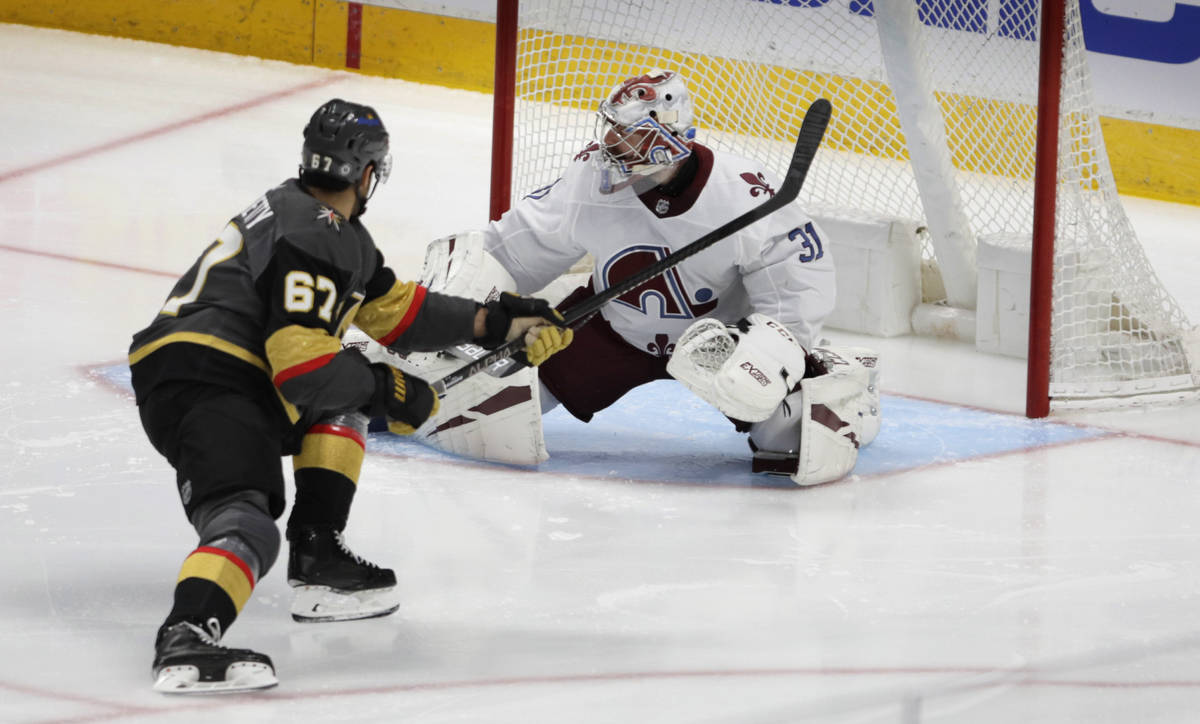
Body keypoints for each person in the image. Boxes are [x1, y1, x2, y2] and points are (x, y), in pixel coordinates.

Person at [128, 98, 571, 693]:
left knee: (345, 396)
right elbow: (302, 366)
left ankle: (318, 554)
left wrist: (497, 322)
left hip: (203, 366)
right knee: (245, 521)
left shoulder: (317, 222)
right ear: (367, 173)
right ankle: (185, 637)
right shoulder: (315, 233)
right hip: (211, 375)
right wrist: (390, 388)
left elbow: (399, 312)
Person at [380, 70, 879, 485]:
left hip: (720, 344)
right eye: (613, 129)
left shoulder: (743, 192)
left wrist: (774, 352)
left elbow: (799, 283)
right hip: (613, 327)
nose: (613, 143)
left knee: (790, 438)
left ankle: (846, 387)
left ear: (670, 132)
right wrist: (450, 308)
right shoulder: (592, 179)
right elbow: (513, 249)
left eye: (631, 132)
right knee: (481, 409)